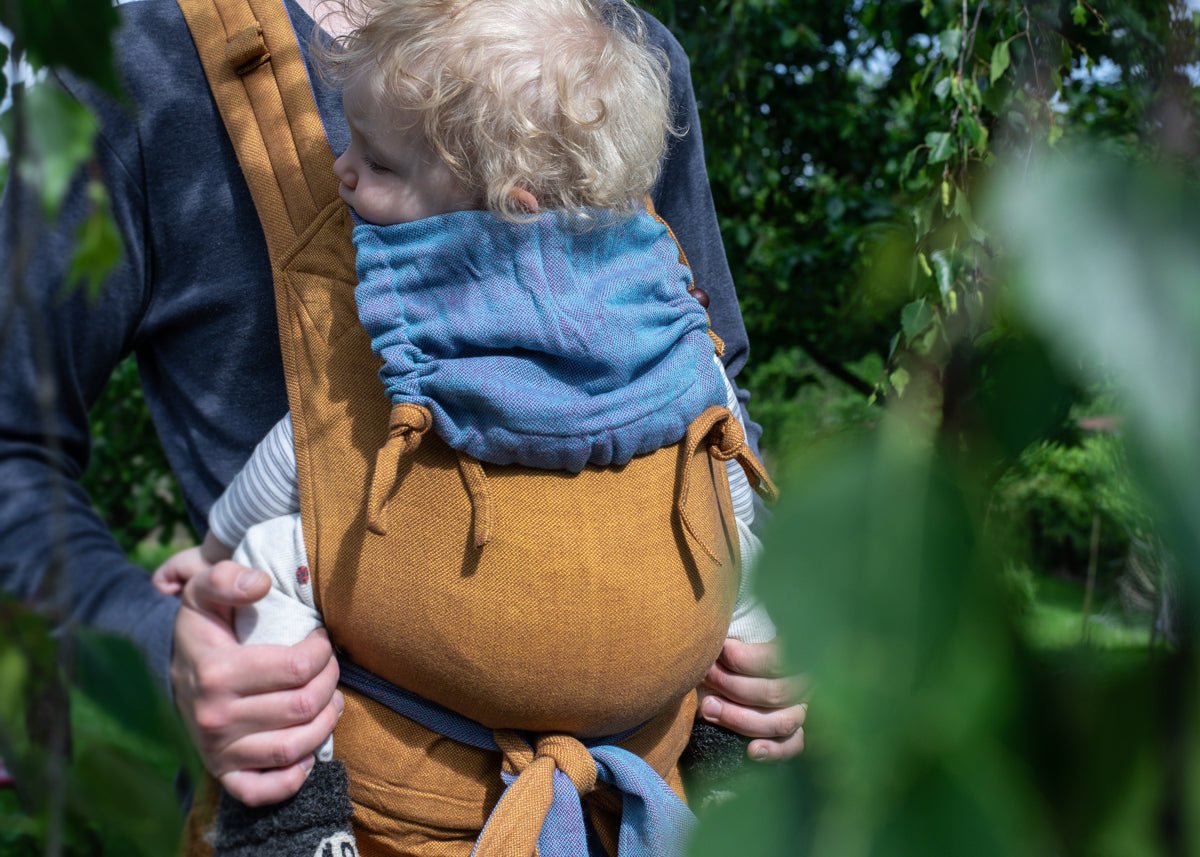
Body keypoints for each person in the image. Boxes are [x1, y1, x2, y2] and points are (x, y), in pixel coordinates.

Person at [0, 0, 804, 822]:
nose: (350, 172)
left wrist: (780, 632)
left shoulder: (616, 51)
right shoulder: (143, 63)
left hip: (651, 812)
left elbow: (713, 398)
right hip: (339, 805)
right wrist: (158, 643)